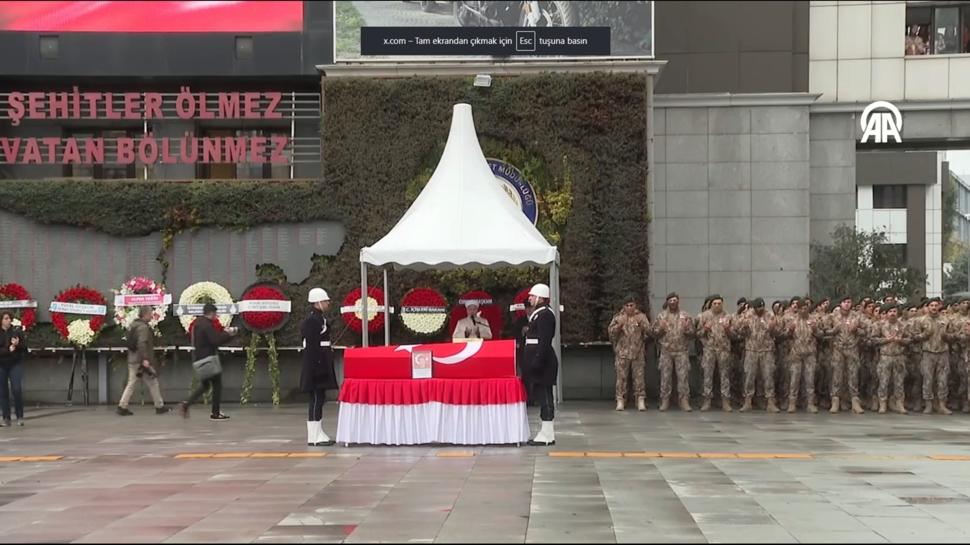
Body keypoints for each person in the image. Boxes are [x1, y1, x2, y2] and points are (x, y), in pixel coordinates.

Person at [178, 303, 239, 420]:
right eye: (215, 314)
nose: (216, 316)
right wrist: (228, 334)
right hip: (209, 359)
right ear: (211, 313)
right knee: (217, 385)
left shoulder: (197, 324)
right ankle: (215, 413)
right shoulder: (207, 325)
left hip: (200, 358)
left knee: (205, 385)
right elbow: (215, 340)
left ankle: (186, 404)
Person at [117, 306, 169, 416]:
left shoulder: (134, 325)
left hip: (133, 359)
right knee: (150, 382)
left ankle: (123, 405)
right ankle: (159, 406)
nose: (152, 315)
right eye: (150, 313)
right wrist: (145, 359)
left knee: (140, 382)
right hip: (140, 360)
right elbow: (142, 343)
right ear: (145, 314)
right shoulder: (143, 328)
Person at [302, 288, 337, 446]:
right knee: (316, 399)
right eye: (325, 301)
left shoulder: (319, 319)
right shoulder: (312, 321)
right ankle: (314, 436)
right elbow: (311, 346)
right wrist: (317, 367)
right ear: (317, 302)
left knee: (320, 398)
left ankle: (318, 432)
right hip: (316, 365)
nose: (328, 303)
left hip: (321, 362)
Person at [524, 283, 558, 446]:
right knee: (541, 395)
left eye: (532, 295)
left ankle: (547, 433)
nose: (529, 298)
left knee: (545, 397)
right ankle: (546, 432)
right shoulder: (539, 314)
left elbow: (544, 341)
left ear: (540, 298)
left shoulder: (545, 315)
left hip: (543, 362)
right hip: (538, 360)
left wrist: (537, 360)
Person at [910, 297, 956, 415]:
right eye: (931, 305)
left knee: (943, 380)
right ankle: (928, 404)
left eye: (936, 305)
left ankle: (941, 404)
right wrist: (925, 335)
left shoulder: (946, 320)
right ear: (928, 307)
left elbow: (953, 336)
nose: (934, 308)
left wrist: (946, 336)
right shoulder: (920, 320)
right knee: (928, 379)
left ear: (939, 306)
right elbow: (914, 337)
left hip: (943, 353)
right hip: (927, 353)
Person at [823, 296, 868, 414]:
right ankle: (835, 400)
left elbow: (867, 331)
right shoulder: (833, 316)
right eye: (844, 302)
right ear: (840, 304)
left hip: (852, 348)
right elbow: (824, 331)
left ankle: (854, 401)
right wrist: (834, 330)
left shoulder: (857, 316)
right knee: (837, 375)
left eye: (849, 302)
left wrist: (857, 330)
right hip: (838, 349)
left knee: (853, 375)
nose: (847, 304)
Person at [652, 292, 696, 412]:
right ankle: (665, 400)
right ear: (667, 302)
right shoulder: (661, 316)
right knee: (665, 377)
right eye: (671, 301)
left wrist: (687, 328)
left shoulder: (685, 315)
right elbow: (654, 333)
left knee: (683, 377)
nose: (673, 303)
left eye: (675, 300)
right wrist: (660, 328)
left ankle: (684, 401)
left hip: (681, 351)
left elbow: (693, 334)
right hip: (666, 351)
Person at [736, 298, 781, 412]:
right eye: (757, 308)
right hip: (751, 349)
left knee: (768, 376)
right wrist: (743, 327)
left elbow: (778, 333)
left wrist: (772, 328)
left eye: (762, 308)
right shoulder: (747, 315)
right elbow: (738, 331)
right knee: (749, 376)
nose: (760, 310)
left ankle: (770, 402)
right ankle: (747, 401)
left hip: (767, 350)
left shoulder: (770, 315)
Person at [608, 295, 650, 411]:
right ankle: (620, 399)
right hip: (622, 353)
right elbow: (611, 334)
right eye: (627, 306)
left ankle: (640, 399)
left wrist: (642, 325)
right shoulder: (618, 317)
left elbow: (649, 332)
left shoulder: (641, 317)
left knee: (639, 378)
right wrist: (619, 326)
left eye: (631, 305)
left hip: (638, 353)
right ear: (624, 306)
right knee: (621, 378)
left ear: (635, 305)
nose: (630, 308)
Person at [782, 298, 824, 413]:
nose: (803, 310)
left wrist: (815, 330)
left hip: (810, 354)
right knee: (794, 379)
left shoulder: (814, 320)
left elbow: (821, 334)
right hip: (796, 354)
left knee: (810, 380)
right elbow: (784, 335)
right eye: (801, 308)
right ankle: (792, 403)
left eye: (805, 308)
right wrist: (790, 331)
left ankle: (810, 403)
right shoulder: (792, 320)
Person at [697, 294, 734, 412]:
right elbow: (697, 334)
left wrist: (728, 329)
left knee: (724, 376)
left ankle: (725, 401)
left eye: (719, 303)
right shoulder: (704, 316)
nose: (717, 305)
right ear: (711, 304)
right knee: (708, 375)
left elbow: (735, 335)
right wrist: (705, 329)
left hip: (723, 350)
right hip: (709, 350)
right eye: (715, 303)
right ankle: (707, 400)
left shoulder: (728, 316)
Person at [871, 304, 910, 414]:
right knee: (883, 381)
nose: (892, 313)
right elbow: (873, 339)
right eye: (890, 311)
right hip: (885, 357)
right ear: (886, 313)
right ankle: (882, 403)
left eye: (894, 311)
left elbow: (909, 339)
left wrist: (901, 341)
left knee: (899, 382)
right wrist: (886, 340)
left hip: (899, 356)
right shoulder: (879, 325)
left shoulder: (903, 325)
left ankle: (899, 403)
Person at [0, 312, 27, 427]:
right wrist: (7, 350)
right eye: (5, 319)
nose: (8, 321)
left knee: (16, 389)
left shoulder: (16, 332)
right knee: (3, 392)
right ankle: (6, 417)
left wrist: (18, 344)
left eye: (9, 319)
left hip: (15, 364)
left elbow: (24, 348)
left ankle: (20, 416)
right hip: (1, 365)